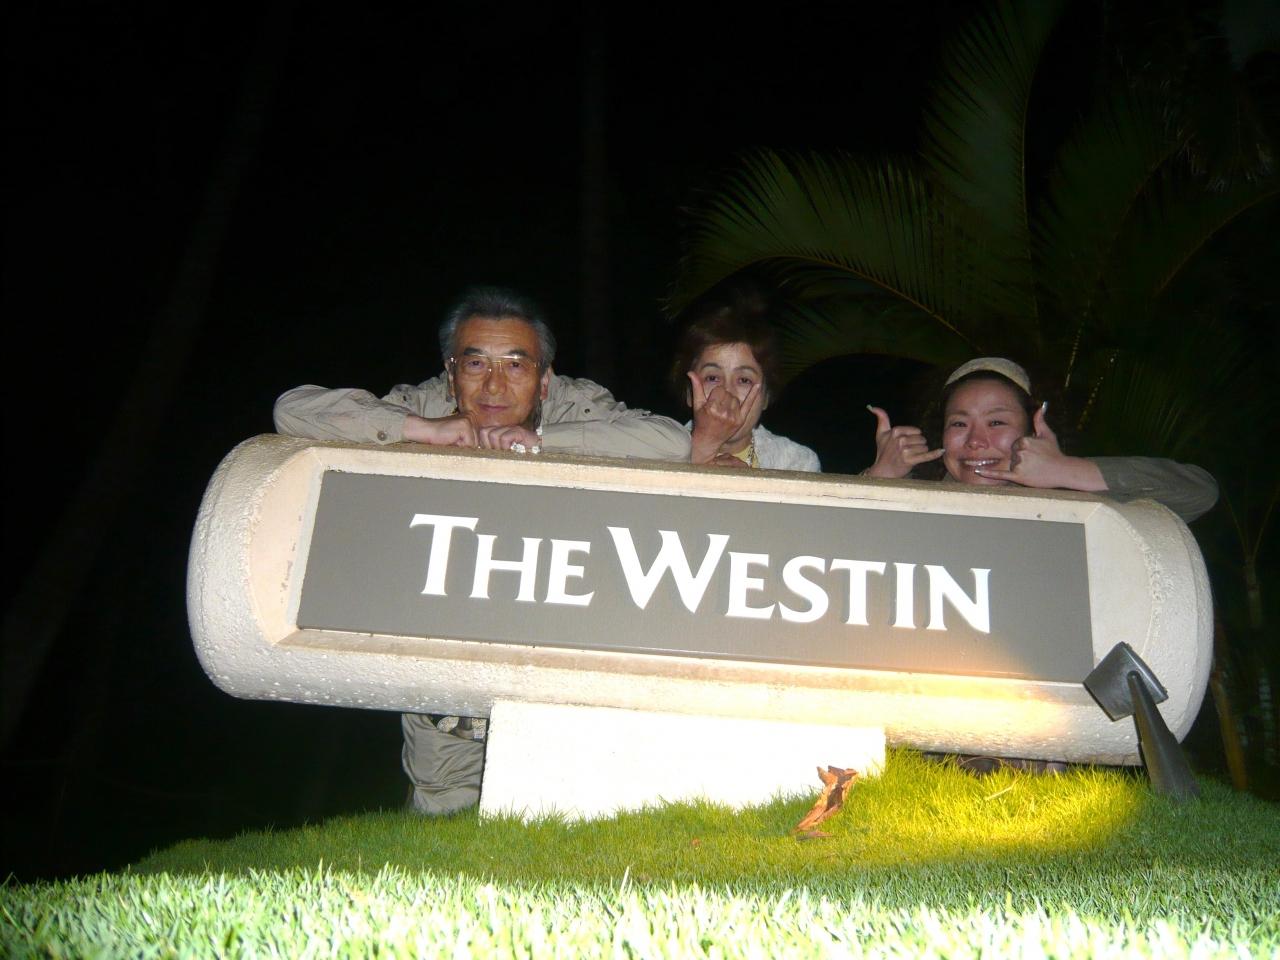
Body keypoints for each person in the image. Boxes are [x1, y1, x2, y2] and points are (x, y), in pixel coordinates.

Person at [273, 285, 691, 815]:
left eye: (516, 366)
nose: (494, 385)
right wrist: (421, 430)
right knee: (440, 813)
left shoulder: (575, 403)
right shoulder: (428, 403)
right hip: (447, 644)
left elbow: (670, 442)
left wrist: (541, 442)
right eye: (475, 364)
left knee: (563, 813)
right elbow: (292, 410)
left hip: (556, 632)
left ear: (545, 379)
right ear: (451, 373)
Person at [861, 356, 1218, 523]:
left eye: (996, 421)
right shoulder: (909, 501)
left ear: (1033, 430)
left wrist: (1066, 471)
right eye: (958, 423)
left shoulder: (1076, 505)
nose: (975, 441)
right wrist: (880, 479)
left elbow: (1198, 493)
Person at [670, 284, 820, 472]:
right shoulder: (655, 448)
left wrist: (753, 484)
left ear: (766, 396)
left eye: (744, 380)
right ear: (689, 392)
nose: (727, 392)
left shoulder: (798, 463)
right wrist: (702, 449)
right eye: (713, 378)